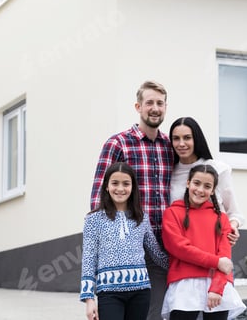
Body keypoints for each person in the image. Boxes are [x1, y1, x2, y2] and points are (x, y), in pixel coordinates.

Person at [90, 80, 174, 320]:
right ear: (138, 106)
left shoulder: (170, 146)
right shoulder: (118, 144)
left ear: (166, 107)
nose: (155, 108)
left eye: (160, 103)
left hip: (160, 246)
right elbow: (99, 197)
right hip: (127, 248)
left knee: (154, 315)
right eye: (149, 103)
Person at [81, 162, 169, 320]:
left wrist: (187, 267)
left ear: (133, 187)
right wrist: (89, 299)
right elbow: (89, 258)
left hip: (141, 292)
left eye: (126, 184)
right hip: (108, 293)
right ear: (107, 186)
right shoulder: (93, 219)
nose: (120, 189)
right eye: (115, 183)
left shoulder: (142, 218)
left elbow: (156, 254)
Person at [161, 164, 246, 320]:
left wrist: (217, 288)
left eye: (207, 186)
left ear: (213, 190)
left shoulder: (221, 218)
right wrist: (216, 261)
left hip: (216, 285)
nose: (200, 190)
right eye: (196, 183)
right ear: (188, 183)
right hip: (184, 286)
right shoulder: (172, 213)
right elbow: (178, 247)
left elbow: (225, 257)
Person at [169, 117, 245, 246]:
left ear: (196, 139)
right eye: (176, 138)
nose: (181, 144)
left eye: (187, 138)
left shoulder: (219, 169)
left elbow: (235, 213)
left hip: (214, 245)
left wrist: (233, 227)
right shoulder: (169, 172)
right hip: (182, 248)